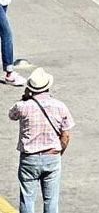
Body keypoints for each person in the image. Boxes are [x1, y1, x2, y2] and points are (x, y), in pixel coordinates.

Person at [8, 67, 73, 213]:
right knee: (51, 200)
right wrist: (58, 151)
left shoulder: (22, 106)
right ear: (48, 86)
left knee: (27, 199)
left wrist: (24, 97)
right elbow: (66, 134)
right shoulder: (60, 106)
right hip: (52, 156)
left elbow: (11, 115)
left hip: (29, 158)